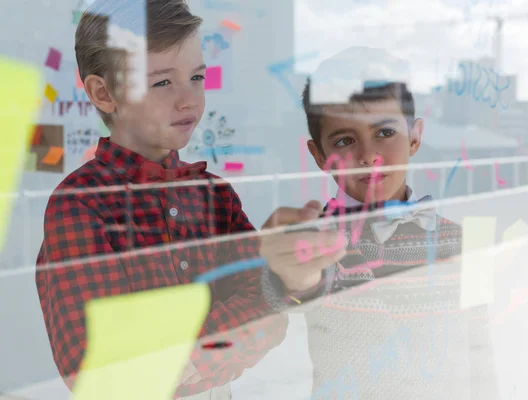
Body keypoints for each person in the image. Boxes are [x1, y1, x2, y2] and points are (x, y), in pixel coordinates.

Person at [34, 1, 345, 399]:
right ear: (103, 93)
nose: (189, 100)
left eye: (196, 77)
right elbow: (107, 373)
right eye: (162, 82)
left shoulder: (215, 194)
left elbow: (273, 310)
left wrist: (188, 355)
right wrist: (235, 329)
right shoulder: (81, 205)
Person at [264, 47, 499, 399]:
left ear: (415, 138)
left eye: (385, 133)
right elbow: (293, 290)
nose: (368, 156)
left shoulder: (465, 240)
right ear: (319, 156)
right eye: (345, 141)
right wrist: (290, 276)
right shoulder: (316, 241)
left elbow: (481, 355)